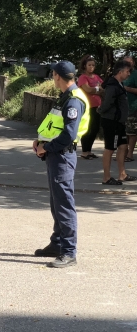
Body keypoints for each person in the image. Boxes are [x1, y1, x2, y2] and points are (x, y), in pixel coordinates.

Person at [33, 61, 90, 268]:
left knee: (64, 203)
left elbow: (69, 135)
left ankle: (68, 251)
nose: (52, 77)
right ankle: (57, 244)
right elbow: (53, 125)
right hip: (56, 154)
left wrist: (46, 148)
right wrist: (40, 140)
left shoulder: (73, 100)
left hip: (62, 155)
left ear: (57, 76)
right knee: (56, 202)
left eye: (53, 74)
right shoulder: (65, 97)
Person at [98, 58, 134, 185]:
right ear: (120, 71)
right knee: (110, 148)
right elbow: (107, 103)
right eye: (127, 71)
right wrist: (101, 110)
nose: (129, 74)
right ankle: (106, 178)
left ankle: (122, 174)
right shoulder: (112, 86)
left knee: (123, 146)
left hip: (119, 122)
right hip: (112, 122)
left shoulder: (119, 84)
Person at [76, 54, 104, 159]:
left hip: (97, 106)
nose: (91, 67)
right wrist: (97, 90)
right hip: (88, 106)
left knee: (95, 128)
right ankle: (84, 151)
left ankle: (89, 150)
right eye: (89, 65)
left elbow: (103, 88)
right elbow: (88, 89)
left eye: (93, 65)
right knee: (88, 128)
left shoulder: (96, 77)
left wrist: (96, 89)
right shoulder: (83, 77)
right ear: (84, 66)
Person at [121, 55, 137, 162]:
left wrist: (127, 88)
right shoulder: (121, 73)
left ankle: (130, 154)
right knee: (124, 131)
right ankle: (124, 153)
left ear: (133, 63)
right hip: (122, 107)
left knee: (132, 132)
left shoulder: (135, 74)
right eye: (125, 62)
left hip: (133, 106)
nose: (128, 64)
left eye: (129, 62)